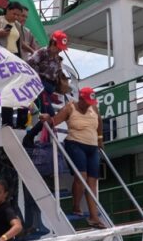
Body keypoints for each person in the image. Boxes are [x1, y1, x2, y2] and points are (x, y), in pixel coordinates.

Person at [41, 86, 105, 229]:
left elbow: (99, 123)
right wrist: (47, 118)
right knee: (81, 176)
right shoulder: (70, 108)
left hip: (92, 147)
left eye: (90, 102)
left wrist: (100, 139)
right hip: (75, 144)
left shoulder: (93, 109)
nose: (89, 104)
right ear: (80, 98)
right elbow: (54, 121)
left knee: (92, 181)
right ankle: (76, 206)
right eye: (86, 101)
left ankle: (94, 217)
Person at [27, 30, 70, 116]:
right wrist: (37, 78)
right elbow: (29, 63)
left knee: (47, 116)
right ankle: (34, 130)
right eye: (59, 47)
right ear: (52, 43)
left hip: (50, 89)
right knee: (50, 115)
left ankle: (34, 130)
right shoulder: (42, 52)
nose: (60, 50)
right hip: (41, 86)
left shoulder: (58, 58)